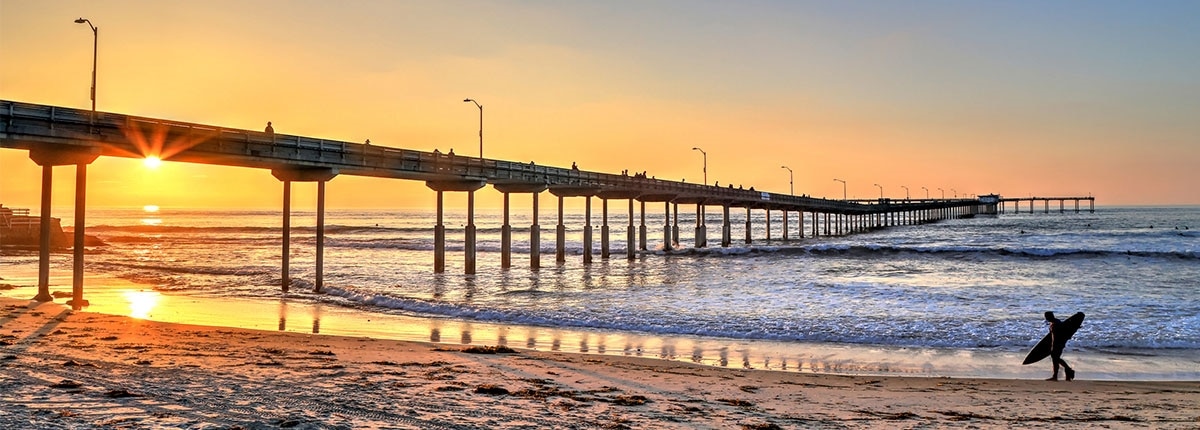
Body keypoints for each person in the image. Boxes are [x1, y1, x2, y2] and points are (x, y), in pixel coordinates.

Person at [1044, 311, 1076, 381]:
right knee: (1056, 359)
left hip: (1058, 344)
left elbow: (1063, 333)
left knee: (1056, 359)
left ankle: (1065, 371)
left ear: (1050, 316)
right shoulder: (1053, 323)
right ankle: (1066, 372)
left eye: (1046, 317)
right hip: (1055, 344)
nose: (1046, 318)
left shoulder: (1057, 323)